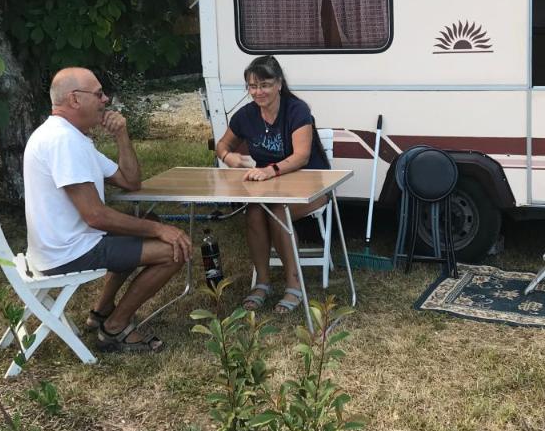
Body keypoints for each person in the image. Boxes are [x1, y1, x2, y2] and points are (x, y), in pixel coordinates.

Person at [23, 67, 191, 353]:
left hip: (64, 246)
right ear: (75, 99)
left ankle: (101, 311)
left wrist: (121, 135)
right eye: (99, 94)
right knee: (174, 250)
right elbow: (96, 216)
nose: (106, 100)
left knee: (149, 219)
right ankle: (115, 328)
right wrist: (160, 231)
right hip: (68, 253)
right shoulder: (63, 141)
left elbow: (130, 180)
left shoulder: (72, 137)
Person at [213, 55, 331, 314]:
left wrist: (270, 171)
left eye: (264, 85)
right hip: (272, 188)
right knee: (254, 212)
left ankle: (294, 285)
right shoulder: (245, 116)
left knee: (278, 212)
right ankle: (263, 283)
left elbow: (301, 156)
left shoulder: (296, 110)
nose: (258, 92)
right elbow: (222, 144)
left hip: (313, 184)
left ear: (278, 84)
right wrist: (228, 156)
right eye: (252, 86)